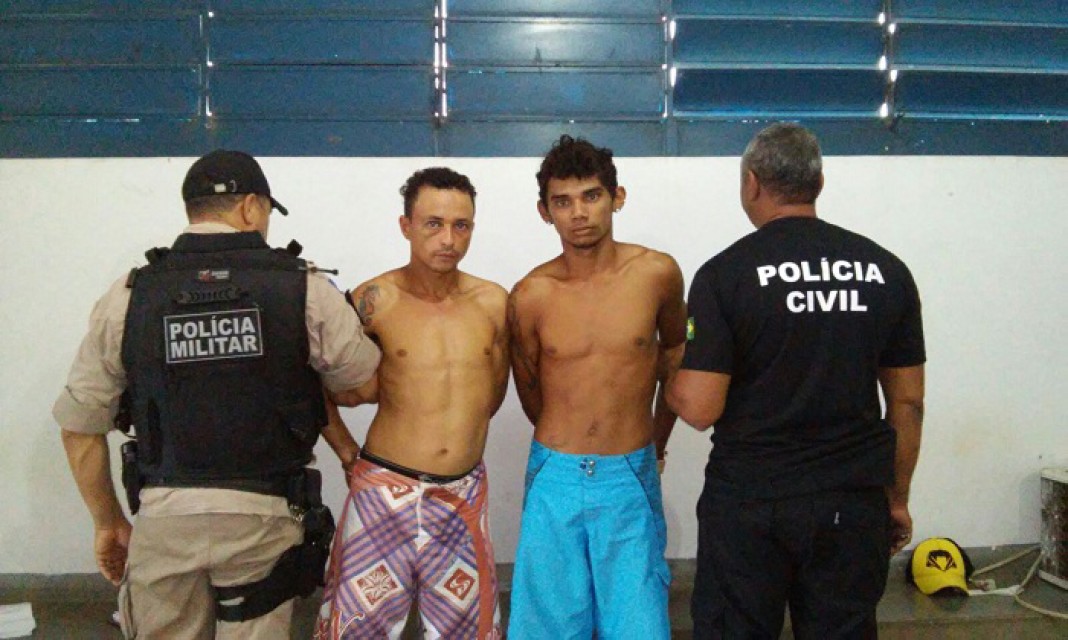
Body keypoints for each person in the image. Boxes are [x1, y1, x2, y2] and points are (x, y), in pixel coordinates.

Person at [53, 150, 381, 639]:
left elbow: (79, 429)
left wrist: (109, 522)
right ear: (251, 207)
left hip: (165, 516)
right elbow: (360, 380)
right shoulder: (303, 288)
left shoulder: (130, 294)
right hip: (264, 516)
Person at [667, 123, 926, 639]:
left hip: (750, 504)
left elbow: (699, 408)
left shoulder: (724, 275)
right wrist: (895, 499)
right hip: (851, 501)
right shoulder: (886, 270)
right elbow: (908, 403)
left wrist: (667, 368)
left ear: (751, 183)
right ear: (819, 183)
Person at [314, 167, 509, 639]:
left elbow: (492, 395)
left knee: (468, 631)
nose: (449, 239)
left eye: (461, 225)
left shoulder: (493, 302)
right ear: (406, 226)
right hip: (384, 492)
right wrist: (345, 450)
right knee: (357, 630)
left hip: (462, 494)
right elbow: (310, 383)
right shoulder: (374, 299)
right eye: (433, 224)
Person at [506, 135, 687, 639]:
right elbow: (529, 385)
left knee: (638, 623)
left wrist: (656, 442)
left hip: (630, 468)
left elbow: (674, 355)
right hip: (554, 473)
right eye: (562, 202)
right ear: (544, 212)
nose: (579, 213)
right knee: (548, 624)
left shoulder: (656, 274)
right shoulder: (530, 294)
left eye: (591, 196)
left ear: (617, 197)